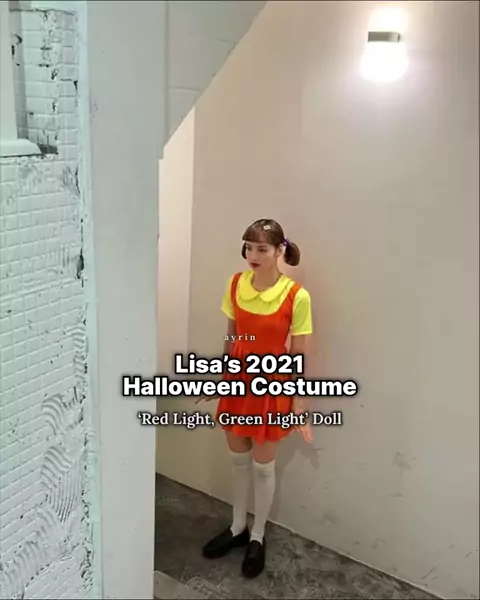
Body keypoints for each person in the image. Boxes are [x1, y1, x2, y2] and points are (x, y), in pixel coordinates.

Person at [196, 218, 313, 579]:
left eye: (262, 248)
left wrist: (299, 402)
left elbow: (298, 353)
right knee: (238, 461)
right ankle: (237, 528)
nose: (253, 254)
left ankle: (258, 536)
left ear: (279, 251)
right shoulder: (235, 284)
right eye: (249, 247)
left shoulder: (296, 296)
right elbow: (231, 338)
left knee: (264, 467)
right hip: (238, 380)